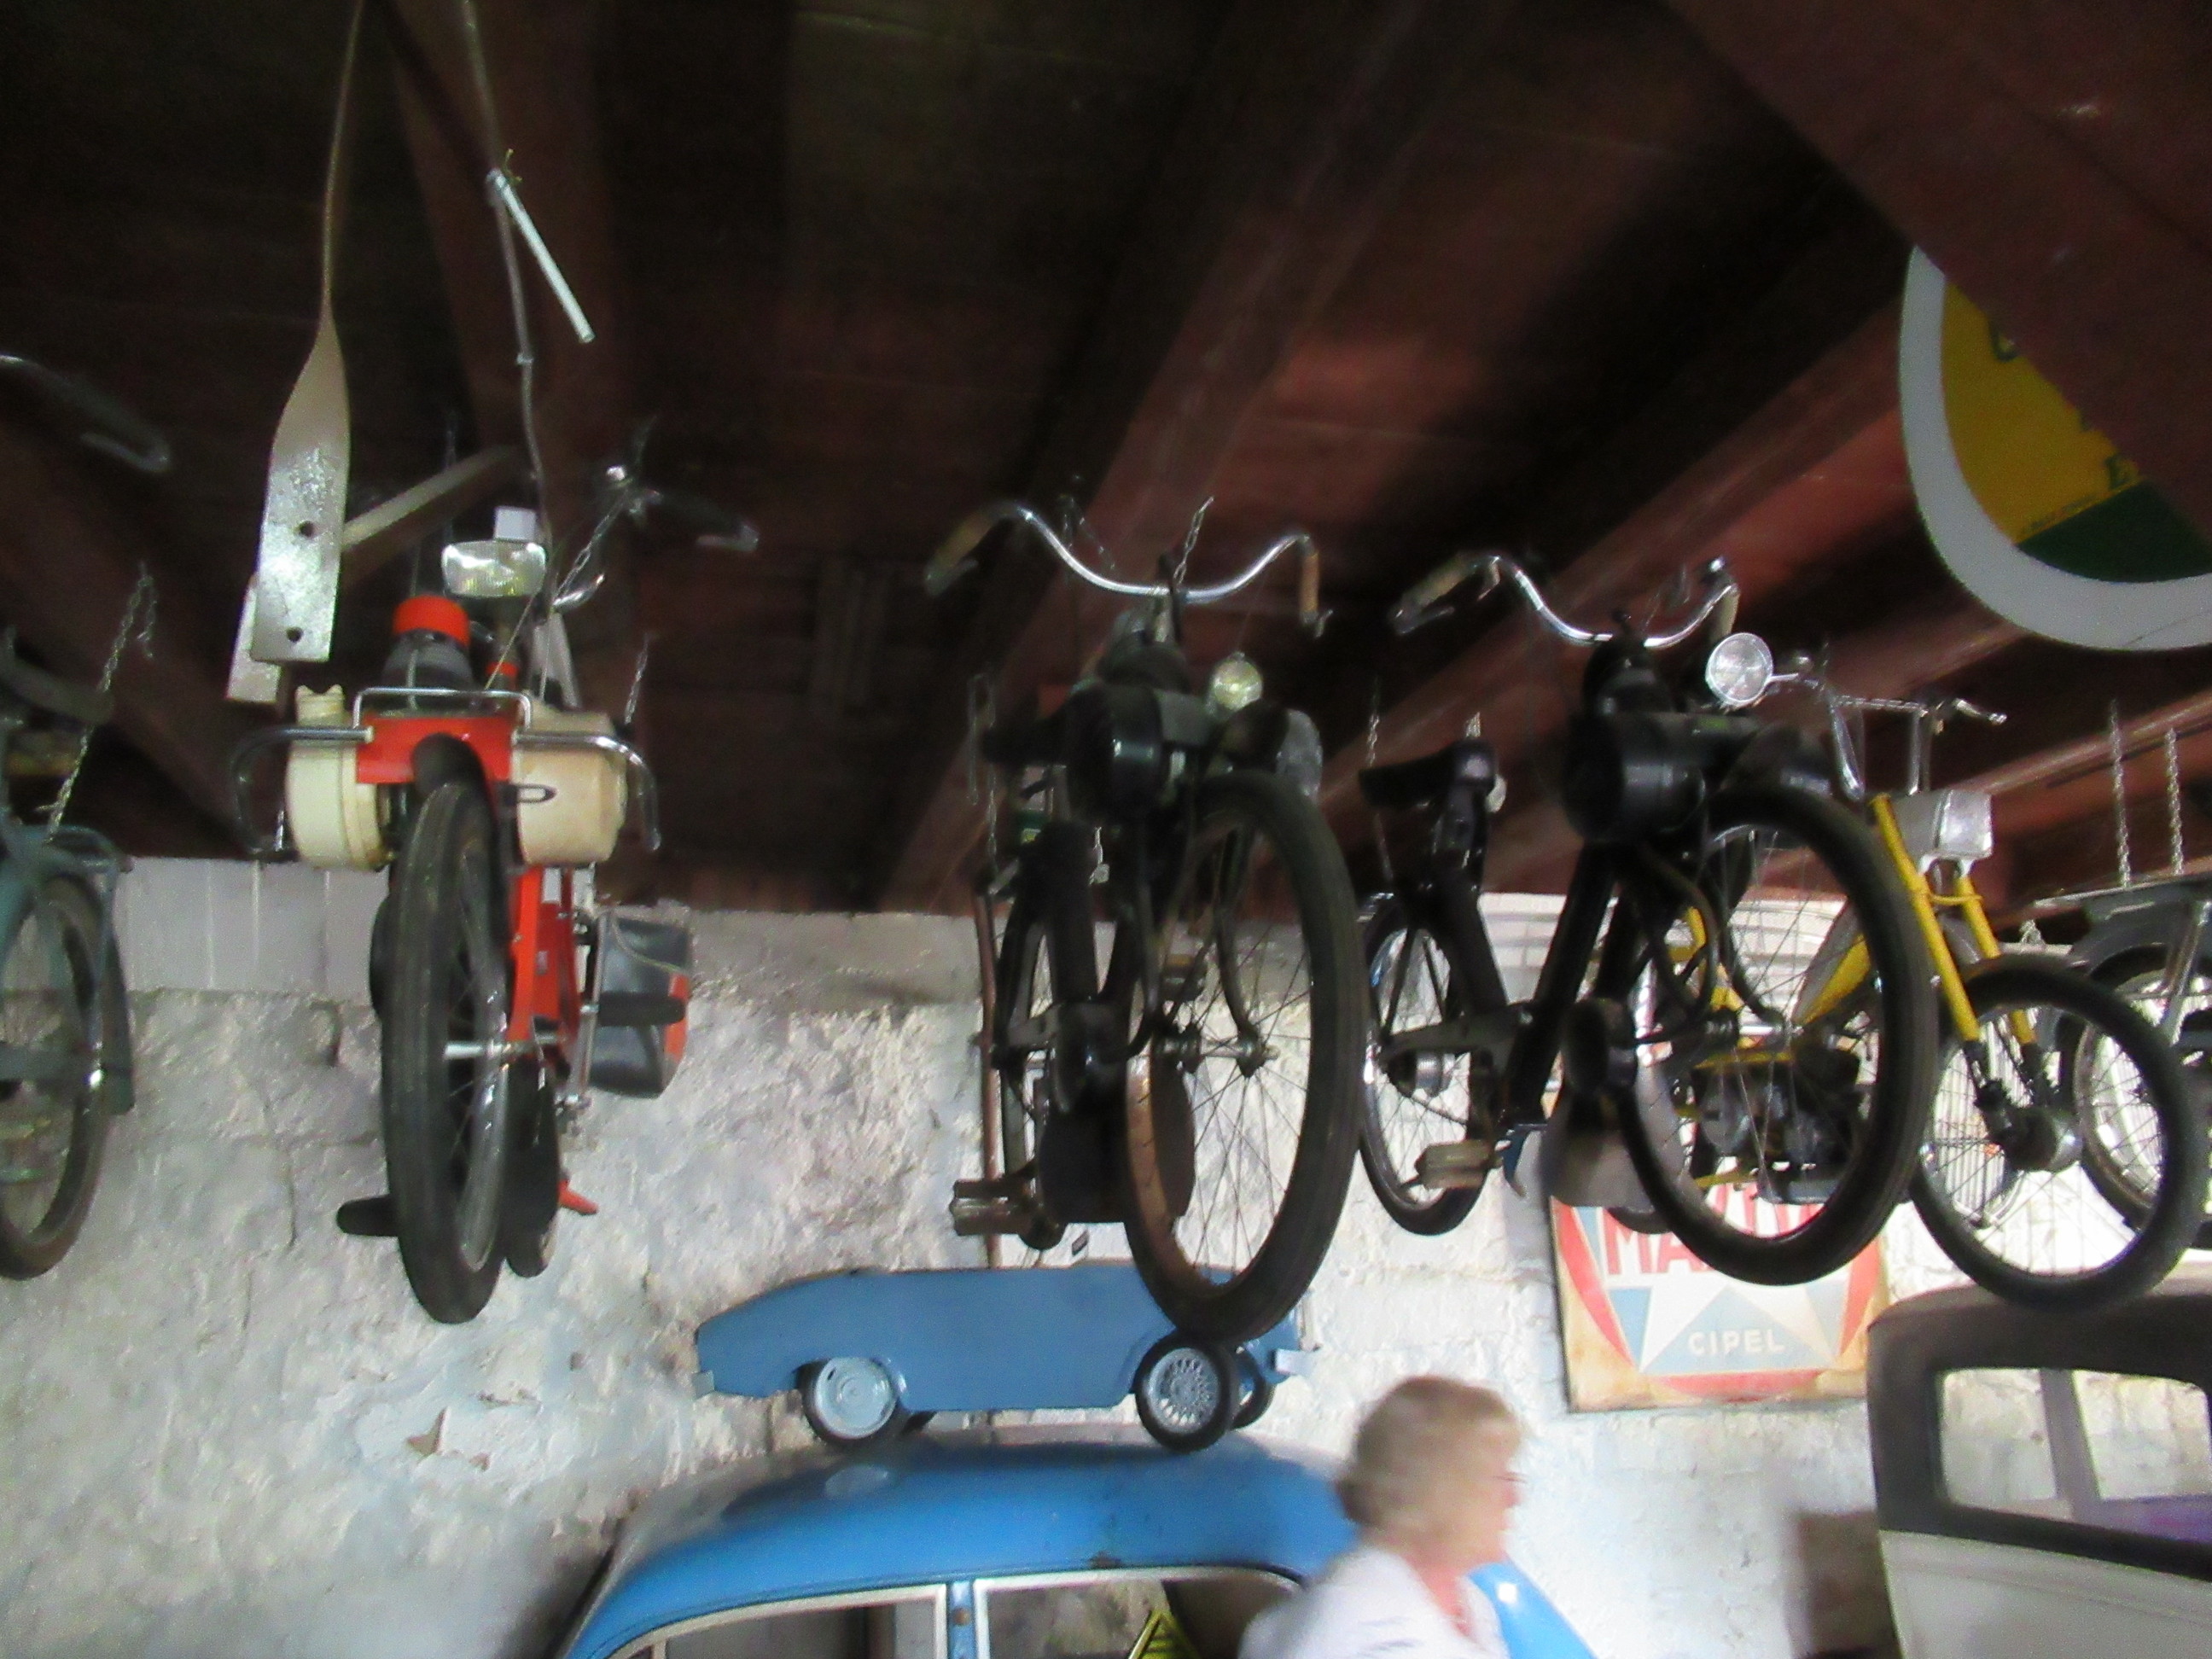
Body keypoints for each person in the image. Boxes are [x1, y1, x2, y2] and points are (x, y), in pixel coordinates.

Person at [1241, 1376, 1522, 1659]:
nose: (1513, 1497)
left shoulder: (1473, 1605)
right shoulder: (1349, 1610)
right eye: (1498, 1478)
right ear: (1442, 1491)